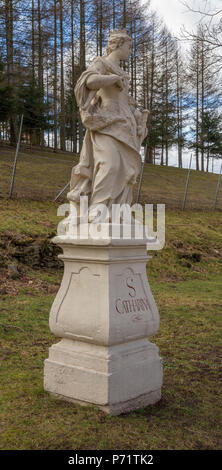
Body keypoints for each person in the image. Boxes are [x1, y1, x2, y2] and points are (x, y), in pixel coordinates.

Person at [67, 29, 149, 221]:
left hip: (125, 123)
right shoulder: (101, 63)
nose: (130, 51)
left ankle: (118, 211)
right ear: (118, 45)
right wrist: (112, 78)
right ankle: (98, 207)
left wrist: (138, 119)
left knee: (125, 168)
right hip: (106, 122)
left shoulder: (123, 72)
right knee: (109, 163)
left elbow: (125, 101)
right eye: (128, 47)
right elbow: (88, 81)